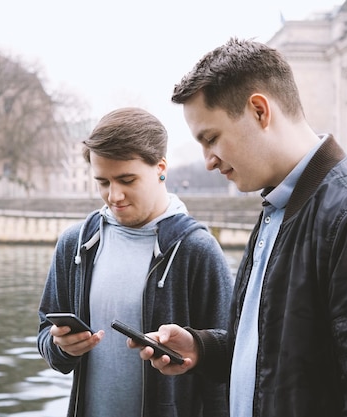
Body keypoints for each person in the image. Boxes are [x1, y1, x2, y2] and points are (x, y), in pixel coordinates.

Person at [135, 38, 347, 417]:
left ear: (260, 110)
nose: (208, 161)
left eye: (211, 138)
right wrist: (204, 348)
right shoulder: (279, 206)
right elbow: (285, 356)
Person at [36, 107, 232, 417]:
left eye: (127, 180)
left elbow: (229, 358)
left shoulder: (198, 249)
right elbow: (46, 334)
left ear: (161, 168)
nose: (114, 196)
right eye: (103, 182)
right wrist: (61, 347)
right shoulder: (73, 244)